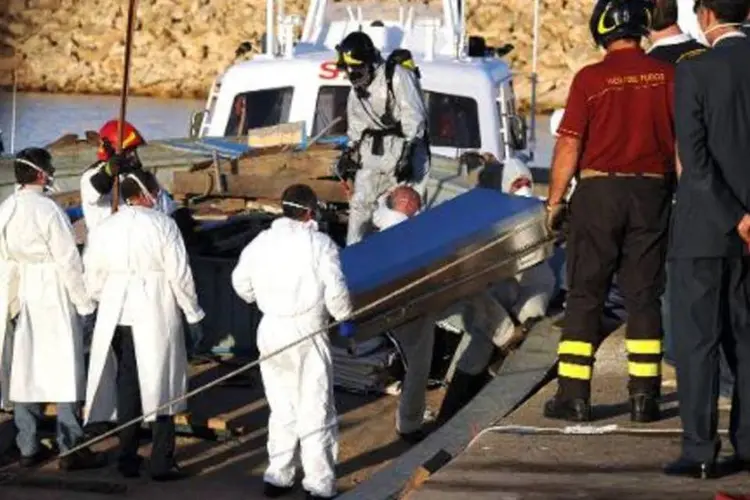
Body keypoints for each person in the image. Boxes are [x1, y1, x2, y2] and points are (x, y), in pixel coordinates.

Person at [544, 0, 675, 424]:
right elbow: (682, 144)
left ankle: (574, 396)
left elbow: (569, 144)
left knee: (585, 295)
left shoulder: (591, 79)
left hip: (599, 193)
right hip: (652, 193)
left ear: (601, 29)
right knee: (644, 295)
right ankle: (644, 397)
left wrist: (555, 200)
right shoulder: (668, 76)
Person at [665, 0, 750, 479]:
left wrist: (734, 215)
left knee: (698, 344)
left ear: (706, 15)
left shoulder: (694, 72)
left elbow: (694, 162)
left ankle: (700, 450)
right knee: (748, 340)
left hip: (704, 229)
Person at [231, 184, 354, 500]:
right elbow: (336, 290)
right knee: (315, 408)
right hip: (307, 331)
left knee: (281, 406)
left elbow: (240, 282)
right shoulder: (320, 244)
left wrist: (263, 300)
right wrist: (344, 316)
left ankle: (278, 476)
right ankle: (319, 484)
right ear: (310, 211)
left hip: (271, 328)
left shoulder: (262, 242)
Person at [82, 169, 205, 481]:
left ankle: (127, 456)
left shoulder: (104, 228)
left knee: (128, 384)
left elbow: (92, 277)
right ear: (145, 193)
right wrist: (193, 313)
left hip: (118, 311)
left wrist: (104, 298)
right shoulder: (163, 225)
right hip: (155, 307)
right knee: (161, 382)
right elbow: (179, 274)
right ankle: (161, 461)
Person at [0, 148, 107, 470]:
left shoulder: (6, 207)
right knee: (66, 370)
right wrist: (84, 303)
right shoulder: (48, 210)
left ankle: (28, 446)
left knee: (26, 370)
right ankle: (70, 448)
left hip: (23, 292)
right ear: (40, 174)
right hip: (54, 291)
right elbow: (68, 260)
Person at [436, 162, 556, 423]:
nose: (523, 188)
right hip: (500, 291)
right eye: (517, 184)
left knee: (526, 335)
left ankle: (495, 408)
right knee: (479, 346)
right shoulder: (487, 221)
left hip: (530, 289)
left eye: (526, 182)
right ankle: (450, 418)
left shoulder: (538, 212)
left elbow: (537, 277)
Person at [335, 31, 430, 245]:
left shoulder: (396, 77)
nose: (353, 76)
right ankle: (354, 254)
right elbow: (357, 123)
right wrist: (349, 152)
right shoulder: (357, 90)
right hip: (374, 151)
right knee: (360, 204)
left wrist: (408, 153)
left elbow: (413, 115)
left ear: (369, 63)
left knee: (402, 208)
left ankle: (401, 258)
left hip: (404, 151)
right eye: (350, 72)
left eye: (357, 70)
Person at [371, 185, 436, 442]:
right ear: (408, 204)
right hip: (408, 305)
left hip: (385, 303)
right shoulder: (408, 231)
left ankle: (410, 419)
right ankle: (409, 424)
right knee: (419, 366)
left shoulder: (379, 218)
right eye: (417, 207)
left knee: (413, 362)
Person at [80, 120, 196, 243]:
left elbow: (164, 205)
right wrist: (109, 172)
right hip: (110, 246)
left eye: (134, 151)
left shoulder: (136, 175)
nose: (133, 156)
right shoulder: (90, 176)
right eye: (129, 152)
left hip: (140, 241)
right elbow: (97, 186)